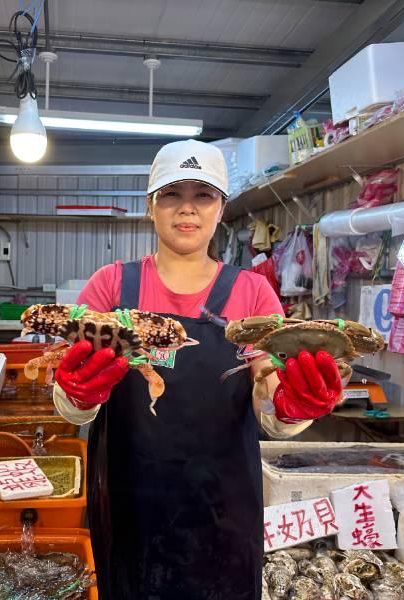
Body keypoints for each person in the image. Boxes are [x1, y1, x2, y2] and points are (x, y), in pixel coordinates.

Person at [51, 140, 346, 599]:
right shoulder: (112, 286)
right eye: (172, 194)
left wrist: (292, 407)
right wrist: (75, 394)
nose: (186, 209)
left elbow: (268, 396)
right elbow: (73, 410)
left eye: (202, 195)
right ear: (151, 206)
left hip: (222, 513)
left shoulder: (252, 294)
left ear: (221, 207)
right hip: (129, 507)